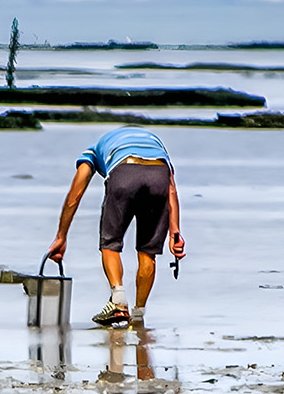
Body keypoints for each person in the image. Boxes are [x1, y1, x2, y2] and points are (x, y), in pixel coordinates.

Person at [46, 125, 185, 328]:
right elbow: (171, 188)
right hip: (159, 173)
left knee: (109, 243)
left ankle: (118, 301)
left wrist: (61, 236)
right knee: (148, 252)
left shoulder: (92, 152)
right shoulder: (156, 145)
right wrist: (175, 231)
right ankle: (138, 317)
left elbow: (74, 197)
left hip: (124, 171)